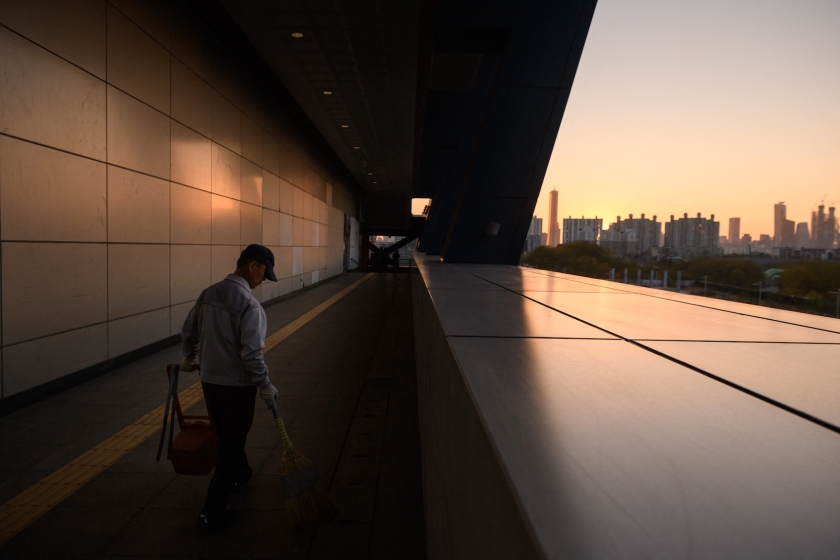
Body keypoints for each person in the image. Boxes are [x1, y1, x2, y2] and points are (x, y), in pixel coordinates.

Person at [179, 244, 280, 532]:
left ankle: (241, 474)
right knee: (231, 445)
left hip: (210, 382)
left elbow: (189, 330)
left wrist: (189, 355)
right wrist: (266, 385)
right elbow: (251, 354)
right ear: (252, 266)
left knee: (228, 435)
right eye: (264, 273)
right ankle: (211, 513)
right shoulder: (250, 306)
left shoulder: (208, 293)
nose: (262, 281)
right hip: (237, 387)